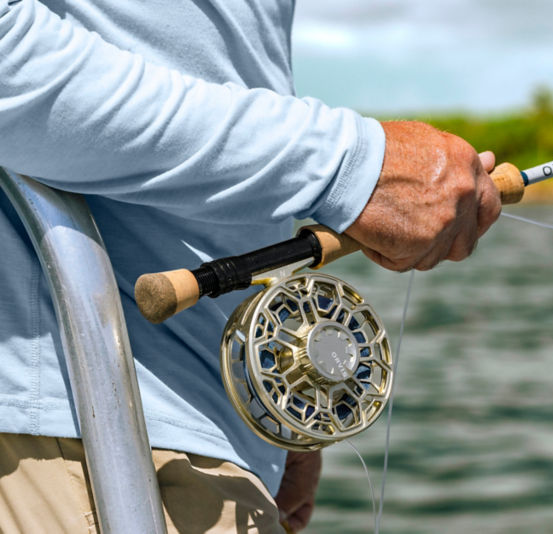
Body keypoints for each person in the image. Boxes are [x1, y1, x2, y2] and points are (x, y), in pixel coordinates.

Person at [0, 0, 501, 532]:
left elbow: (213, 57)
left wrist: (262, 411)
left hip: (200, 435)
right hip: (75, 431)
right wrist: (339, 163)